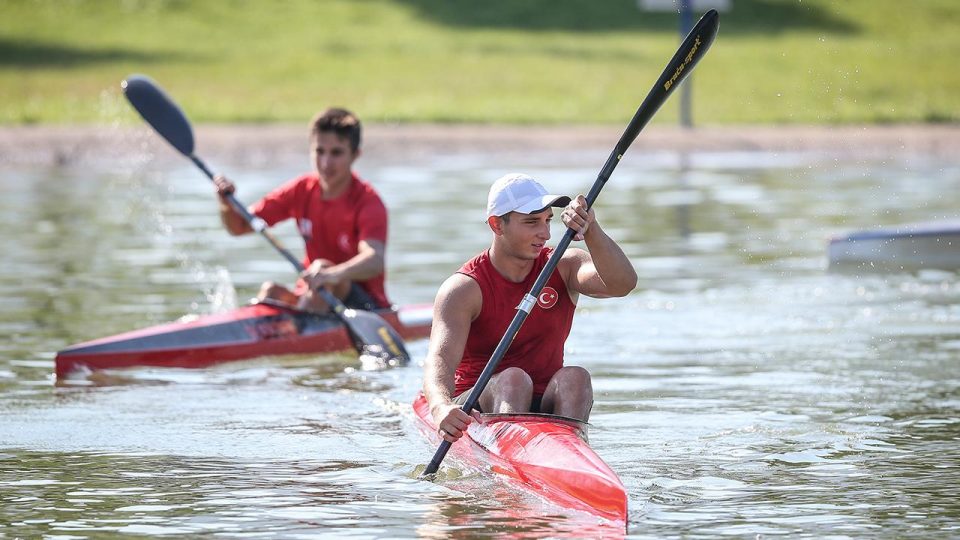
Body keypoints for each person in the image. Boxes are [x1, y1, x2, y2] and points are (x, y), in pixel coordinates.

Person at [422, 172, 638, 443]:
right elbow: (439, 360)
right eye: (531, 222)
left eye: (548, 220)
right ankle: (507, 451)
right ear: (497, 225)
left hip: (543, 399)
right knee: (514, 379)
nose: (545, 233)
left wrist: (591, 229)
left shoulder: (563, 265)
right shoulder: (464, 288)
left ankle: (570, 449)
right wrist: (440, 406)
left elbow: (623, 284)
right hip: (478, 405)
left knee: (575, 378)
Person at [213, 107, 390, 313]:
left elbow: (375, 260)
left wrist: (333, 274)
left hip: (365, 306)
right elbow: (239, 226)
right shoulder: (301, 190)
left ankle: (295, 332)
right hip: (314, 295)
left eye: (336, 153)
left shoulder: (368, 202)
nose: (325, 163)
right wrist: (226, 204)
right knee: (271, 292)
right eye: (319, 151)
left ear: (355, 155)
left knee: (322, 270)